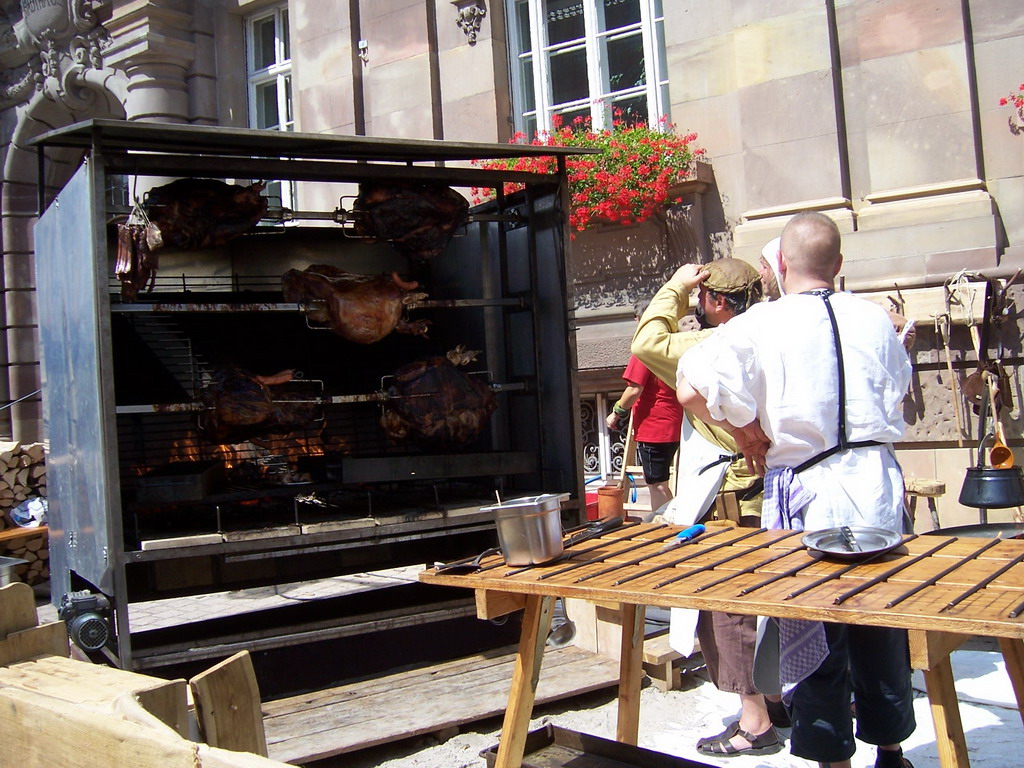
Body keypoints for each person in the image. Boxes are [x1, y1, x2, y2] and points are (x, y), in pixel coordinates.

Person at [674, 211, 915, 768]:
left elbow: (689, 386)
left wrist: (746, 433)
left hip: (810, 495)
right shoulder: (875, 318)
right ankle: (891, 752)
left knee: (815, 633)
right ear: (839, 263)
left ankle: (834, 761)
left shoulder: (761, 323)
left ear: (781, 263)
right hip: (877, 487)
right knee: (880, 626)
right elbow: (898, 388)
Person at [631, 257, 788, 757]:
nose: (698, 305)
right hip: (777, 489)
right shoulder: (779, 332)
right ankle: (778, 699)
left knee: (728, 605)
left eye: (703, 298)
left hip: (733, 495)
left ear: (717, 301)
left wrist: (675, 287)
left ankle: (755, 722)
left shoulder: (712, 343)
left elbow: (647, 343)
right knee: (774, 599)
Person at [606, 299, 684, 513]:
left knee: (657, 484)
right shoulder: (672, 344)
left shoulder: (644, 349)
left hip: (655, 427)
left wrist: (616, 412)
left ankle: (667, 523)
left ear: (639, 320)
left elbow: (634, 389)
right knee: (663, 482)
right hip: (676, 421)